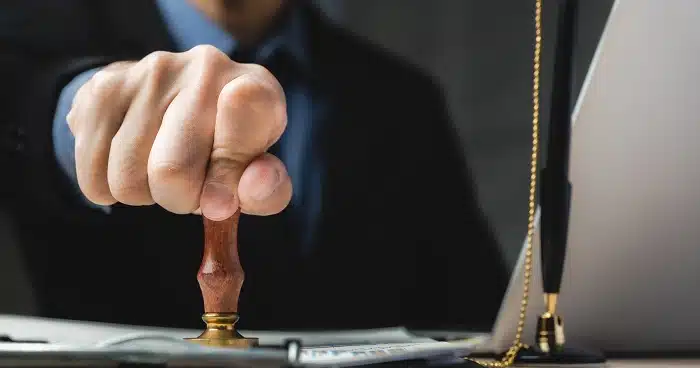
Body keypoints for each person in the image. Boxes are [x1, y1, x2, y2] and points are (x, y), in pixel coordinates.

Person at [1, 0, 508, 331]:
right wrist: (88, 109)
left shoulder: (402, 99)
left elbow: (477, 314)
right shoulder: (29, 43)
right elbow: (32, 106)